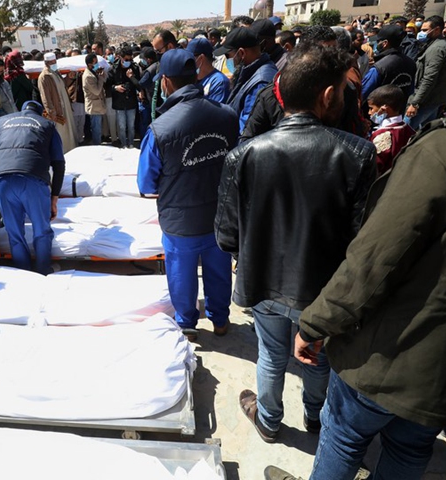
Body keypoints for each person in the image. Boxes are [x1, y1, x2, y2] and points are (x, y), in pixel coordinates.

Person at [265, 11, 446, 480]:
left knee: (343, 436)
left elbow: (374, 259)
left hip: (389, 359)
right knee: (407, 453)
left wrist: (316, 324)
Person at [215, 44, 377, 444]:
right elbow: (362, 238)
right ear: (327, 95)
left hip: (263, 281)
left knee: (271, 353)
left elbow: (226, 234)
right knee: (316, 354)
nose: (344, 98)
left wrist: (250, 256)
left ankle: (269, 420)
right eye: (341, 90)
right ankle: (316, 417)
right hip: (322, 290)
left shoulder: (244, 154)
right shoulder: (357, 153)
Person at [137, 49, 238, 341]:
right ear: (196, 76)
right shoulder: (227, 115)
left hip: (180, 220)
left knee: (181, 276)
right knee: (219, 271)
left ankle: (187, 324)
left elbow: (146, 183)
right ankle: (220, 321)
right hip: (219, 215)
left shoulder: (160, 128)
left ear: (166, 82)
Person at [0, 101, 64, 275]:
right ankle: (42, 272)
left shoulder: (0, 122)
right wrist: (54, 198)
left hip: (2, 180)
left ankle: (24, 274)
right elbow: (59, 164)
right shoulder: (47, 124)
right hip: (32, 179)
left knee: (14, 233)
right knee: (41, 230)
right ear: (40, 113)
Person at [217, 27, 278, 132]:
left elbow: (246, 130)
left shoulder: (261, 82)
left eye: (228, 55)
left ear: (241, 53)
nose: (227, 60)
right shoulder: (248, 72)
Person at [406, 16, 446, 129]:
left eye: (425, 30)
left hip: (425, 101)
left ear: (437, 30)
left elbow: (429, 78)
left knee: (406, 131)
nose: (421, 33)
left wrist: (415, 103)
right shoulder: (439, 45)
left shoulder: (437, 49)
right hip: (432, 99)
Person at [367, 85, 416, 175]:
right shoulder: (410, 131)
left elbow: (373, 167)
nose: (369, 112)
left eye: (371, 108)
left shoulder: (382, 136)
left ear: (385, 109)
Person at [361, 25, 417, 101]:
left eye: (378, 41)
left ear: (384, 43)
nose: (376, 44)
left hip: (379, 110)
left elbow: (363, 93)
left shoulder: (379, 67)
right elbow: (411, 90)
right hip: (399, 109)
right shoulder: (410, 62)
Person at [38, 53, 77, 154]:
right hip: (57, 110)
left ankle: (71, 150)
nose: (55, 63)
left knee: (69, 131)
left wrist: (69, 78)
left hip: (65, 106)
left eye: (55, 61)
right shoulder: (44, 76)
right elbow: (45, 97)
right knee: (61, 133)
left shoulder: (55, 72)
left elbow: (62, 86)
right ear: (47, 63)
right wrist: (51, 111)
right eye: (52, 62)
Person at [109, 48, 140, 148]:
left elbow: (138, 85)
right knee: (122, 126)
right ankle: (123, 144)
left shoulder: (134, 68)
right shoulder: (113, 68)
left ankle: (131, 143)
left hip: (131, 101)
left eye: (130, 60)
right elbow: (107, 86)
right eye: (126, 60)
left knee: (131, 126)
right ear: (120, 58)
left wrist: (131, 77)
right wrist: (116, 88)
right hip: (119, 102)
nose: (128, 62)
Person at [188, 38, 230, 103]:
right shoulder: (192, 79)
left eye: (190, 57)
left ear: (201, 58)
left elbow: (215, 111)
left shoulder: (219, 82)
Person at [82, 53, 107, 145]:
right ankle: (97, 147)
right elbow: (96, 91)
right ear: (89, 64)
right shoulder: (88, 76)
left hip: (98, 106)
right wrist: (100, 77)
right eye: (95, 62)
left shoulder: (93, 72)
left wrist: (100, 74)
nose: (97, 64)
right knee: (96, 130)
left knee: (99, 129)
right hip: (94, 107)